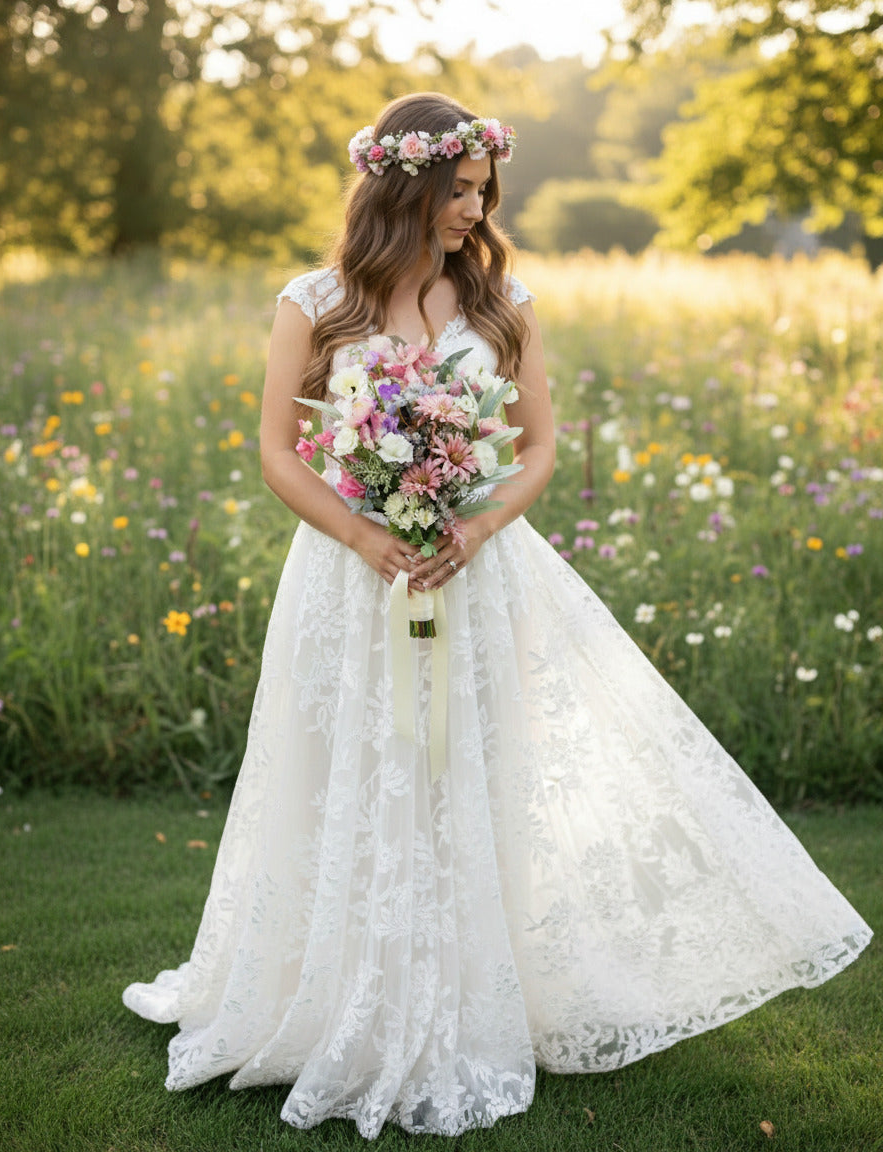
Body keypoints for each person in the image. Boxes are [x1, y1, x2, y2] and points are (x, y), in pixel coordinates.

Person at [123, 92, 872, 1139]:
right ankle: (340, 987)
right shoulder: (314, 300)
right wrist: (368, 533)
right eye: (457, 189)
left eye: (483, 190)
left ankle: (478, 982)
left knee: (469, 767)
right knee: (351, 762)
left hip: (476, 572)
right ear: (402, 184)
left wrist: (469, 530)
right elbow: (276, 453)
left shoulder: (500, 300)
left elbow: (536, 449)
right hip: (351, 574)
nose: (474, 208)